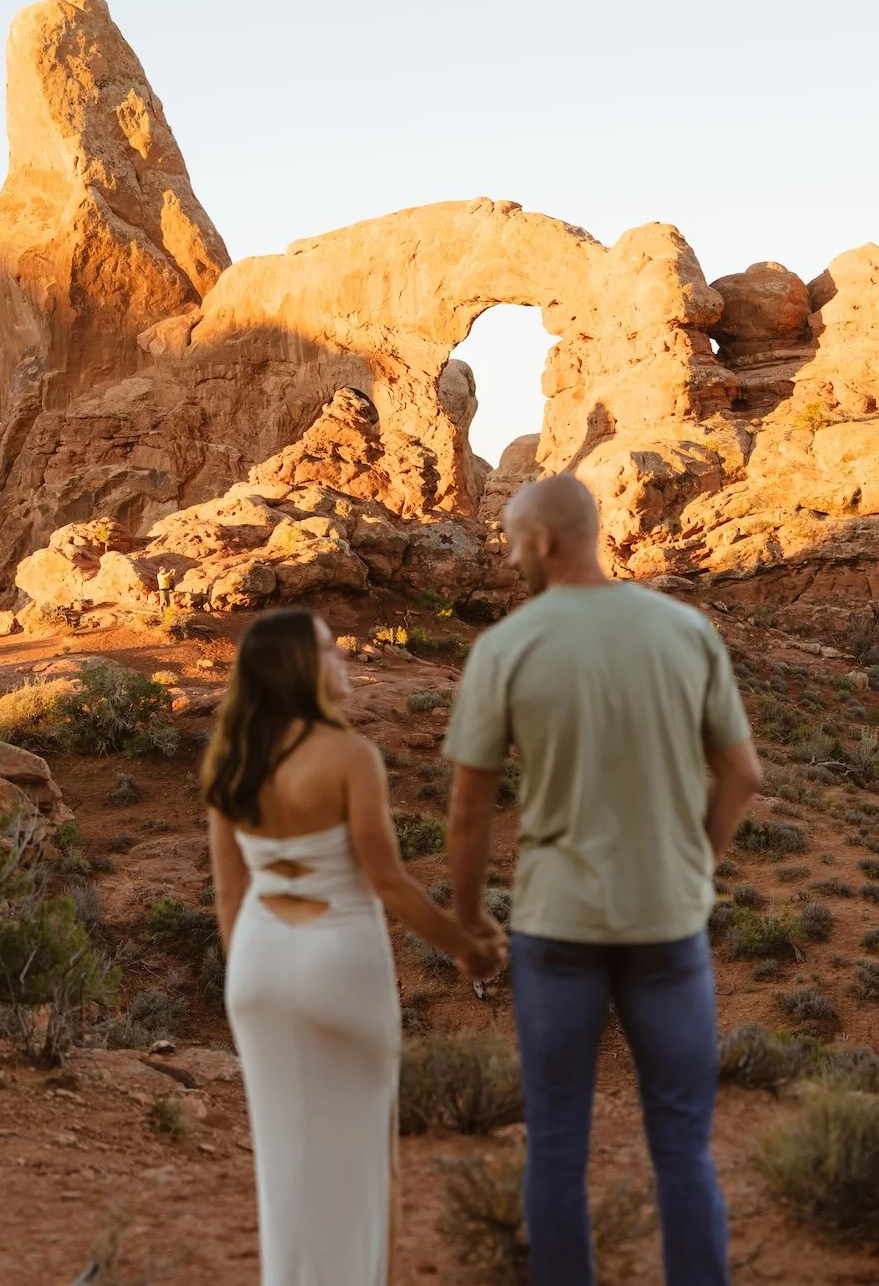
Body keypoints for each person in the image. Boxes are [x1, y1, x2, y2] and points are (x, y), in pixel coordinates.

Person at [444, 474, 762, 1286]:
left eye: (513, 538)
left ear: (546, 541)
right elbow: (741, 775)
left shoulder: (506, 647)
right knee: (684, 1144)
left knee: (554, 1143)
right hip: (668, 921)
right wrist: (694, 864)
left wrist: (472, 920)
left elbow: (469, 811)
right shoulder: (684, 629)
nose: (509, 554)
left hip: (558, 926)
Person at [203, 608, 505, 1286]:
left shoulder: (230, 756)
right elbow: (388, 882)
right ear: (295, 667)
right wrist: (465, 945)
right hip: (338, 963)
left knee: (284, 1166)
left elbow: (229, 894)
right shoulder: (348, 756)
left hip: (255, 965)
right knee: (367, 1163)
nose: (340, 656)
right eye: (325, 648)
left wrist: (249, 978)